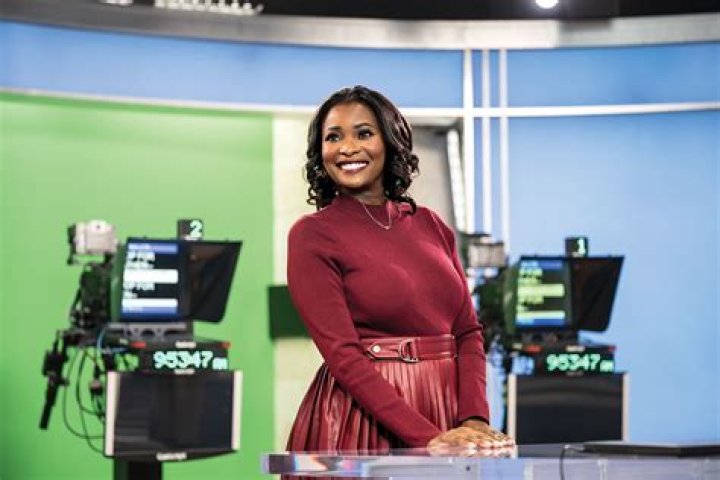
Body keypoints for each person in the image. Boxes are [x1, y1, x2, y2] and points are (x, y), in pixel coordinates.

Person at [286, 85, 514, 453]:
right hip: (363, 421)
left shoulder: (431, 225)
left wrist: (474, 419)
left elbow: (468, 331)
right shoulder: (312, 234)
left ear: (390, 141)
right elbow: (342, 355)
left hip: (448, 412)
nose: (347, 148)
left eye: (364, 133)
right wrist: (426, 437)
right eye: (333, 137)